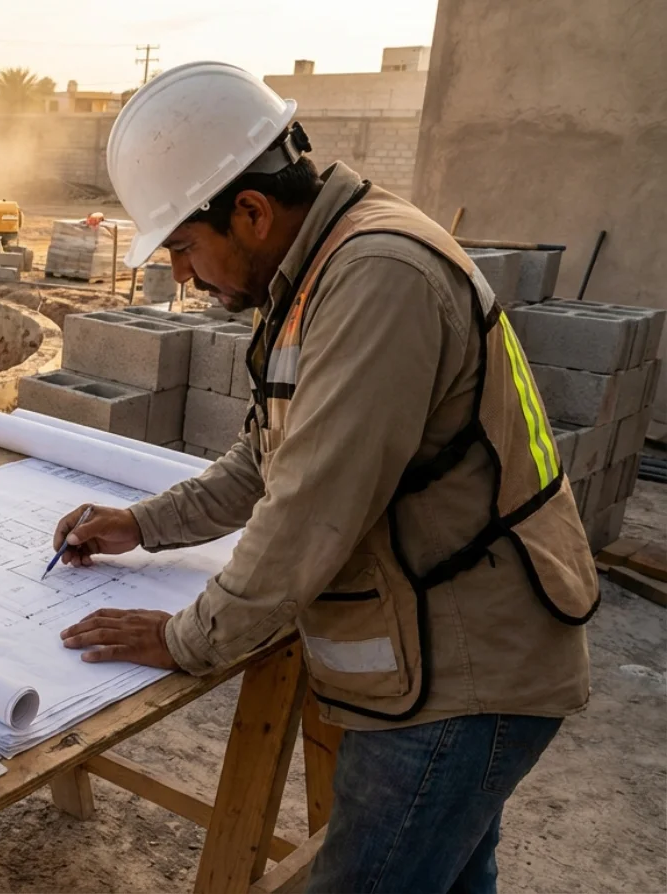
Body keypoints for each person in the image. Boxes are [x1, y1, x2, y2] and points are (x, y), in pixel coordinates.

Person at [53, 62, 595, 894]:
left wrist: (183, 638)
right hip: (448, 656)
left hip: (463, 677)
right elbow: (266, 460)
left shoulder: (379, 277)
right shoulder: (319, 272)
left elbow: (311, 507)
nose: (188, 278)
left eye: (187, 249)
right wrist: (141, 524)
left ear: (253, 211)